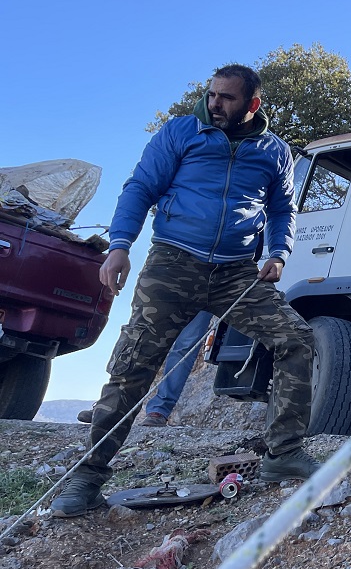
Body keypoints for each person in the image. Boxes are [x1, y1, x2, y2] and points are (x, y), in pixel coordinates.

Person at [53, 65, 318, 517]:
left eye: (227, 98)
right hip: (173, 263)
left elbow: (281, 210)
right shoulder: (180, 133)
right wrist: (120, 246)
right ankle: (87, 475)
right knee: (135, 362)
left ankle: (283, 454)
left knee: (296, 339)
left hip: (236, 273)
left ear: (252, 104)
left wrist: (279, 253)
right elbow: (139, 188)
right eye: (212, 95)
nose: (215, 104)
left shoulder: (274, 152)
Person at [76, 312, 215, 427]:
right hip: (166, 280)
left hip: (209, 283)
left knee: (186, 346)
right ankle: (110, 405)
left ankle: (159, 410)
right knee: (139, 338)